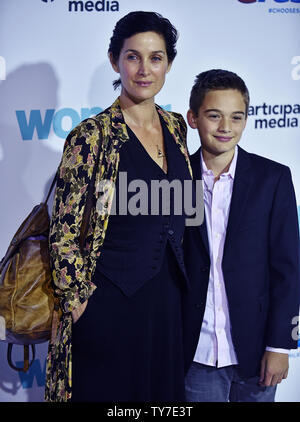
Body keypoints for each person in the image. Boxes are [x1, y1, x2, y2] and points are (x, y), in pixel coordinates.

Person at [44, 11, 197, 402]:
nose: (144, 69)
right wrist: (79, 303)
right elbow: (62, 233)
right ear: (116, 60)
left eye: (156, 58)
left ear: (169, 64)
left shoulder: (176, 126)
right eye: (133, 56)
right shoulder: (90, 137)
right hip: (109, 304)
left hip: (167, 301)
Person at [184, 69, 300, 402]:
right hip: (196, 355)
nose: (225, 127)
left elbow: (287, 269)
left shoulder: (272, 178)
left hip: (257, 354)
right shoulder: (175, 180)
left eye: (236, 117)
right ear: (193, 118)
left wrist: (280, 345)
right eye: (214, 116)